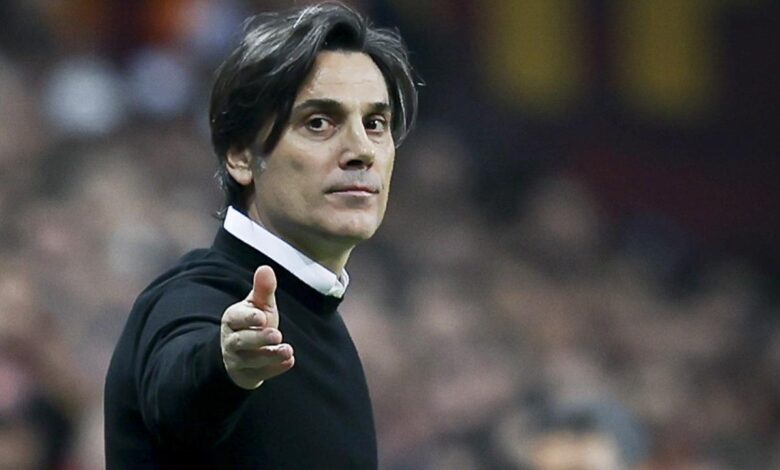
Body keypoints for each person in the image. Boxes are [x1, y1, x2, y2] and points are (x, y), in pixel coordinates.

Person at [103, 3, 418, 468]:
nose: (361, 151)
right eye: (318, 122)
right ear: (241, 156)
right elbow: (176, 392)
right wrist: (226, 366)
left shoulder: (316, 312)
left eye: (375, 124)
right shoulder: (197, 296)